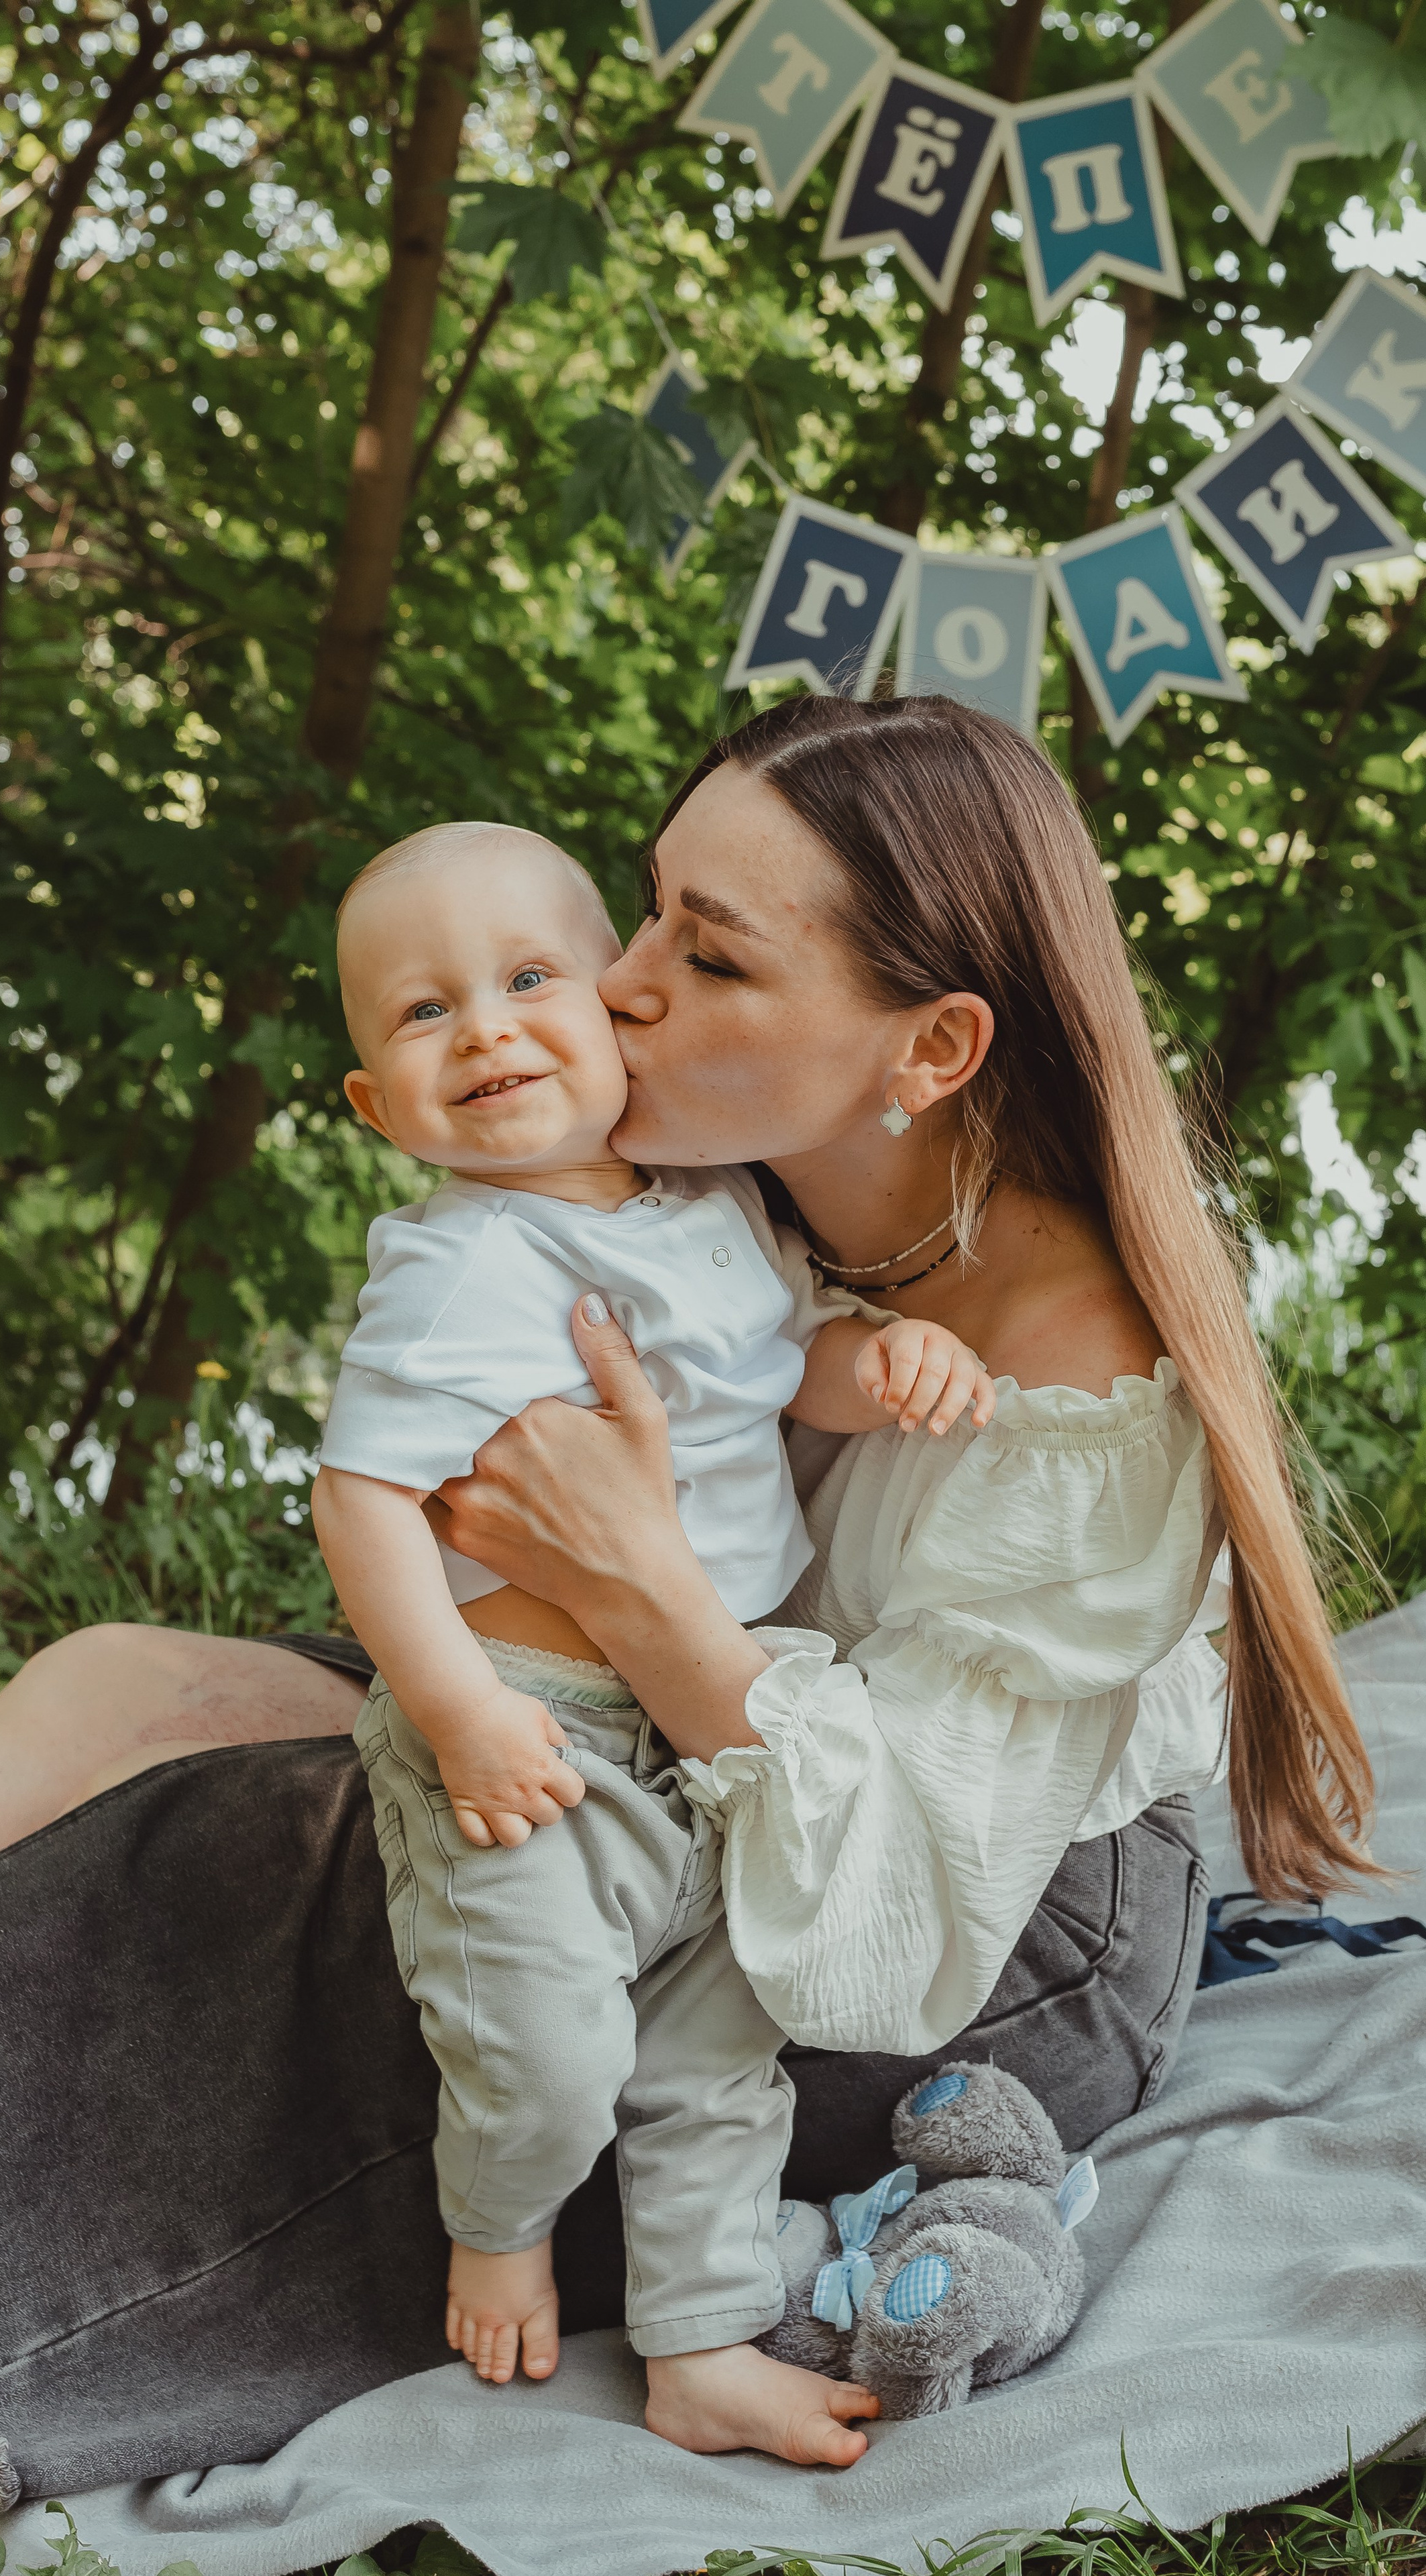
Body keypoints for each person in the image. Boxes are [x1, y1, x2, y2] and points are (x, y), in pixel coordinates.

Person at [0, 694, 1376, 2491]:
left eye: (708, 957)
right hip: (684, 1731)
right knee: (140, 1691)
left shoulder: (1084, 1387)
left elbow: (900, 1908)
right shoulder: (716, 1195)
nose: (623, 981)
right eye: (648, 909)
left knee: (303, 1854)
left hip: (964, 1930)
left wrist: (645, 1585)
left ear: (931, 1048)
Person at [313, 816, 990, 2436]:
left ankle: (696, 2351)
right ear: (372, 1104)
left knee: (711, 2065)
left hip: (724, 1728)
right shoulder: (460, 1260)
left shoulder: (716, 1206)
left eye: (528, 977)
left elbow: (784, 1369)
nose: (480, 1027)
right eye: (422, 1014)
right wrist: (458, 1709)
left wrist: (884, 1368)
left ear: (616, 1005)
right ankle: (498, 2229)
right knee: (543, 2048)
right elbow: (361, 1503)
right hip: (537, 1728)